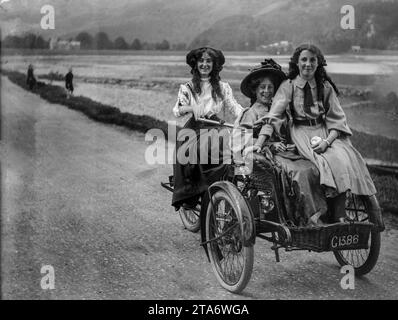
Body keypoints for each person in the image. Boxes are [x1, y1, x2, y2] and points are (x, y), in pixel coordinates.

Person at [253, 44, 380, 223]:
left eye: (312, 60)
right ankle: (323, 211)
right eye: (304, 59)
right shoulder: (288, 86)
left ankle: (340, 213)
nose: (308, 64)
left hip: (325, 133)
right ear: (296, 63)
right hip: (300, 133)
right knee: (321, 162)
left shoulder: (325, 87)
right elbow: (274, 115)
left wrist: (327, 142)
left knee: (343, 157)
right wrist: (260, 142)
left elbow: (337, 119)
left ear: (318, 63)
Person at [235, 58, 327, 226]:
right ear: (255, 90)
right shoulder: (250, 113)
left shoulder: (279, 111)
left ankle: (318, 213)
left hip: (287, 153)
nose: (267, 91)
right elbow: (244, 140)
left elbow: (288, 132)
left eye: (270, 88)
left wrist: (292, 143)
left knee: (313, 168)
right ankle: (304, 218)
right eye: (262, 87)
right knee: (298, 173)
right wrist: (270, 144)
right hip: (267, 155)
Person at [172, 47, 244, 210]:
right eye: (201, 61)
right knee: (194, 153)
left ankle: (226, 188)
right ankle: (195, 191)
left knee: (232, 150)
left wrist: (247, 114)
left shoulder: (223, 87)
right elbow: (177, 110)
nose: (205, 64)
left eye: (208, 61)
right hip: (194, 129)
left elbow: (234, 107)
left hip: (216, 126)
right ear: (196, 64)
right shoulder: (187, 88)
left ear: (214, 64)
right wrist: (190, 109)